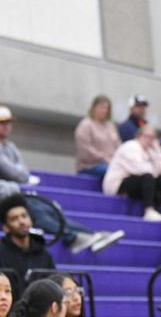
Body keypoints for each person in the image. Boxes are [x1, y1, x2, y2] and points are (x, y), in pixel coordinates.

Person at [0, 106, 124, 253]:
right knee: (36, 213)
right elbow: (16, 174)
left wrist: (18, 180)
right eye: (3, 123)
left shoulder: (10, 147)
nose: (7, 126)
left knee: (49, 209)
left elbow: (22, 173)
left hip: (15, 194)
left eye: (8, 123)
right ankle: (73, 237)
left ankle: (92, 235)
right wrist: (16, 183)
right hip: (6, 197)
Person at [103, 125, 161, 221]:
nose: (150, 140)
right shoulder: (130, 146)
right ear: (139, 136)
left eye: (153, 138)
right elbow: (141, 169)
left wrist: (157, 150)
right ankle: (149, 211)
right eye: (147, 136)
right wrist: (154, 170)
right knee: (148, 177)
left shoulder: (151, 150)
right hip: (117, 184)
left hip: (136, 182)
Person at [0, 194, 55, 295]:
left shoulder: (44, 254)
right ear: (6, 228)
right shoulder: (2, 253)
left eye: (24, 216)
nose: (21, 221)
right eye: (14, 219)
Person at [74, 95, 121, 180]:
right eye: (102, 107)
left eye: (107, 108)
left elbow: (118, 145)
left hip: (112, 163)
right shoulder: (86, 125)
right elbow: (85, 150)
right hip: (90, 166)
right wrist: (104, 158)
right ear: (93, 108)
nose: (105, 111)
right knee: (112, 170)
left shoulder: (111, 126)